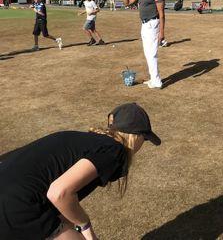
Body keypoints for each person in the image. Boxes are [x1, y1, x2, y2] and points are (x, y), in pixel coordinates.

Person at [0, 102, 161, 240]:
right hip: (18, 206)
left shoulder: (87, 141)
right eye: (144, 139)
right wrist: (84, 225)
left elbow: (55, 197)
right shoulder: (114, 150)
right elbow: (59, 193)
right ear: (136, 136)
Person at [119, 0, 165, 89]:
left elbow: (161, 13)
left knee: (152, 54)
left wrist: (162, 33)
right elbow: (127, 2)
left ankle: (157, 81)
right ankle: (153, 79)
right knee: (147, 54)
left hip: (153, 24)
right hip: (144, 25)